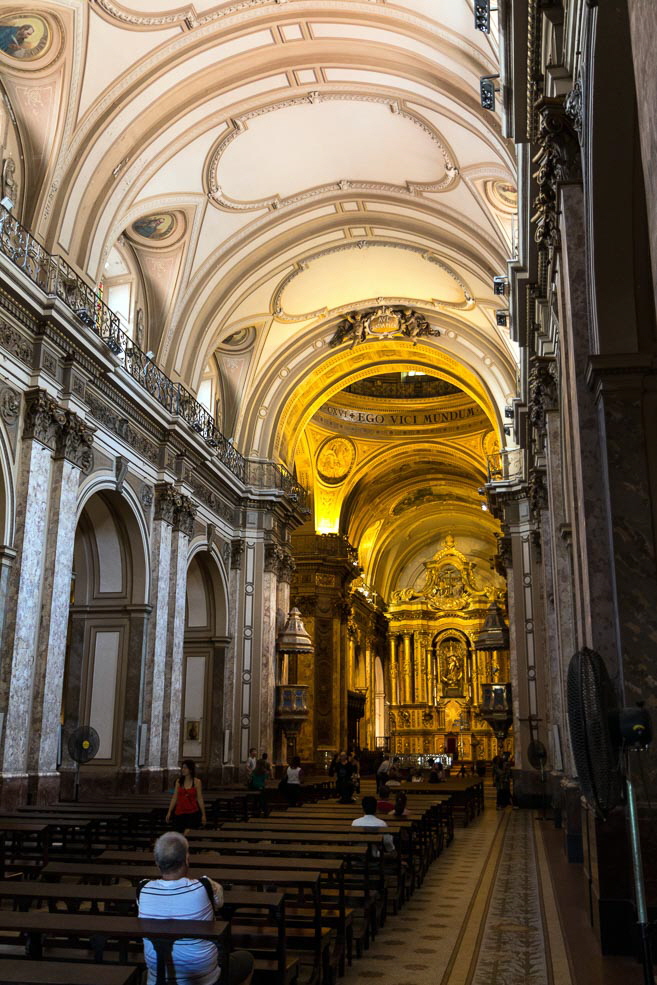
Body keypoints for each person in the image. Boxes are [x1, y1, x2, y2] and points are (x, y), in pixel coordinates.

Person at [138, 831, 254, 985]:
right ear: (187, 859)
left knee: (144, 974)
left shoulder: (143, 889)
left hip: (158, 977)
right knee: (247, 959)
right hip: (204, 977)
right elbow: (219, 903)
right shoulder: (205, 887)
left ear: (157, 863)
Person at [166, 760, 207, 832]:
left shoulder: (197, 782)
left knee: (188, 834)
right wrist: (169, 812)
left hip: (192, 812)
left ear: (190, 770)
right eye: (182, 768)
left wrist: (203, 814)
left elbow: (200, 798)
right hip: (179, 812)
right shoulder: (178, 782)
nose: (183, 770)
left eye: (185, 768)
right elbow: (174, 798)